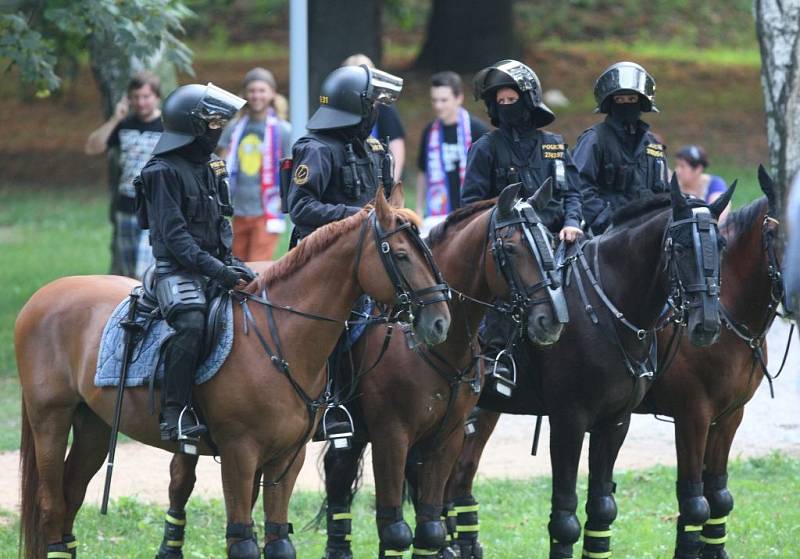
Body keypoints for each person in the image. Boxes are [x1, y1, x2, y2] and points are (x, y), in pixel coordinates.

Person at [135, 82, 252, 446]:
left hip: (216, 264)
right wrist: (217, 270)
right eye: (213, 122)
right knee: (190, 323)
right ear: (193, 125)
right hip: (176, 270)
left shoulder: (211, 165)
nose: (219, 129)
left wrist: (232, 264)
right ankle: (175, 412)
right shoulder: (161, 171)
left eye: (221, 122)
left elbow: (221, 222)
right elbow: (175, 238)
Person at [461, 59, 583, 387]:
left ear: (527, 100)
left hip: (559, 238)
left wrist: (572, 222)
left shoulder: (554, 145)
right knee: (510, 278)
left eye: (511, 100)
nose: (505, 107)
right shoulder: (486, 148)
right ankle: (496, 355)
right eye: (499, 102)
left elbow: (573, 193)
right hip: (509, 243)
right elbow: (469, 206)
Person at [287, 64, 402, 245]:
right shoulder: (317, 150)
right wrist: (360, 215)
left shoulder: (373, 148)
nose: (374, 110)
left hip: (367, 248)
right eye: (371, 104)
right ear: (355, 107)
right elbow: (301, 208)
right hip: (325, 252)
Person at [571, 61, 669, 234]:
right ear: (610, 103)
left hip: (649, 234)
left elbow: (664, 193)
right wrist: (606, 221)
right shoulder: (595, 139)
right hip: (605, 236)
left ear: (641, 102)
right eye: (619, 99)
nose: (626, 104)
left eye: (632, 99)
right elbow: (579, 186)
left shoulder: (653, 144)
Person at [86, 71, 163, 279]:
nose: (140, 102)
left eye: (146, 97)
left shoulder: (167, 127)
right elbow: (92, 147)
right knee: (128, 276)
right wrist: (115, 119)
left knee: (145, 272)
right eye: (135, 97)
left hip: (155, 208)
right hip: (126, 206)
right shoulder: (124, 124)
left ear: (157, 97)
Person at [218, 67, 292, 261]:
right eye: (252, 91)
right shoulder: (234, 128)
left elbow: (289, 167)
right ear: (244, 94)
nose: (256, 96)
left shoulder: (283, 130)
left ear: (272, 94)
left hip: (266, 212)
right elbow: (221, 161)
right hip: (238, 211)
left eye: (262, 90)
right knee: (237, 267)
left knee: (257, 268)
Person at [417, 71, 490, 232]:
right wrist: (419, 209)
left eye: (444, 100)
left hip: (472, 214)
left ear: (459, 98)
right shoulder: (429, 131)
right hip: (437, 215)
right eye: (434, 100)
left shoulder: (477, 130)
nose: (438, 106)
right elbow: (423, 172)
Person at [342, 54, 406, 178]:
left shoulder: (383, 107)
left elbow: (396, 144)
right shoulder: (339, 107)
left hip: (376, 175)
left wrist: (392, 180)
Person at [674, 144, 730, 222]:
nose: (677, 170)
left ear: (698, 169)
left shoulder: (714, 185)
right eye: (677, 165)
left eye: (682, 166)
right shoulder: (673, 186)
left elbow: (719, 216)